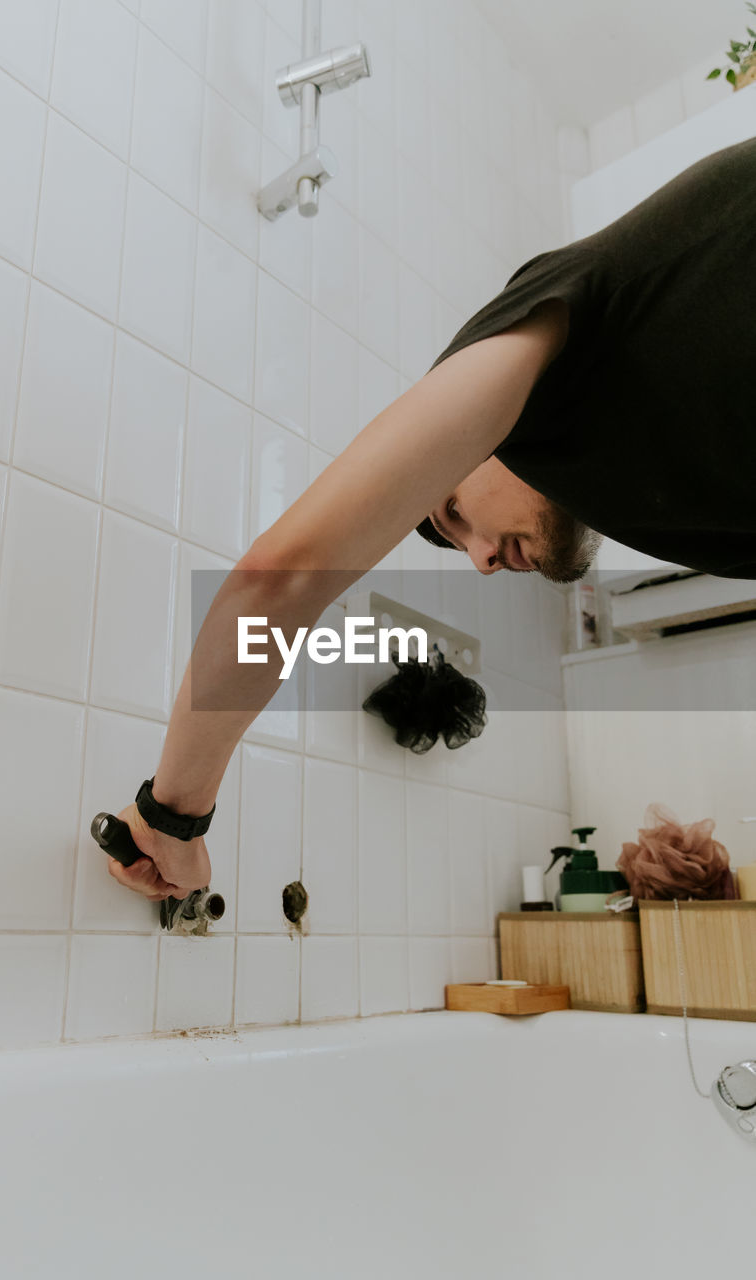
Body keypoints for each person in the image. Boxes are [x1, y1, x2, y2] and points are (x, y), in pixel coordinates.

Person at [105, 136, 756, 903]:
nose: (481, 562)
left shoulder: (551, 327)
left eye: (451, 512)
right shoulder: (684, 513)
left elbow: (276, 583)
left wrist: (171, 816)